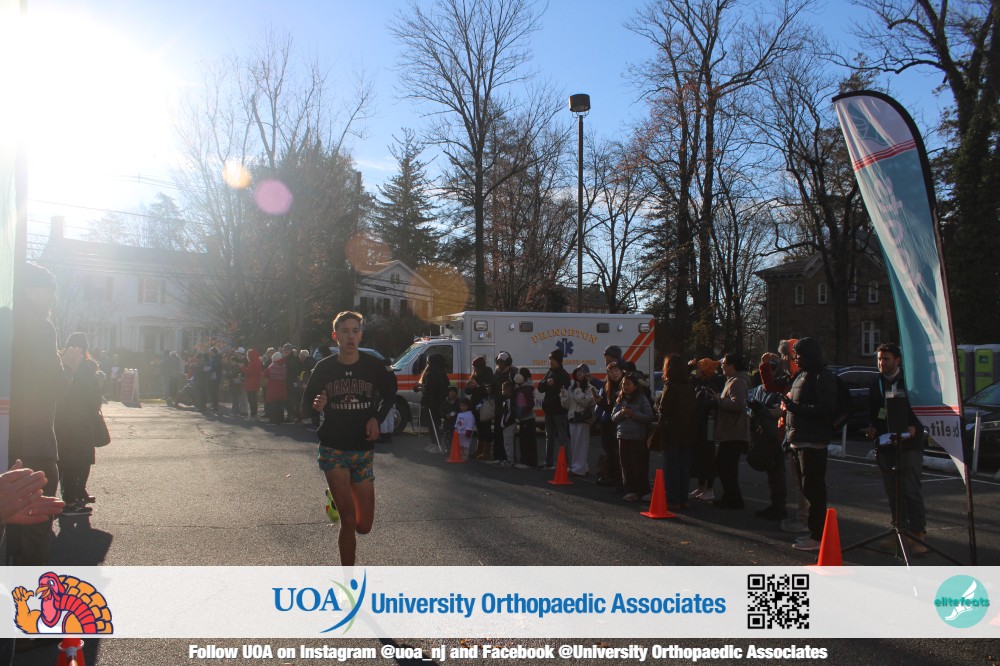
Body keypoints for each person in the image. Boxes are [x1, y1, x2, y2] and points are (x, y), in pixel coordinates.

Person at [301, 311, 396, 566]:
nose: (350, 336)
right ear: (336, 336)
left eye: (355, 331)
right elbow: (306, 406)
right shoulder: (324, 367)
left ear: (361, 335)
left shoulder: (372, 366)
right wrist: (317, 406)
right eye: (345, 331)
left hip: (362, 450)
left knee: (364, 526)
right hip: (333, 448)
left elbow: (390, 393)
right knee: (348, 520)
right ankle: (348, 583)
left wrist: (377, 417)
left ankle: (337, 497)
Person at [8, 262, 81, 566]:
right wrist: (69, 367)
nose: (52, 299)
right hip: (35, 444)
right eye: (50, 291)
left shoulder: (7, 322)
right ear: (32, 291)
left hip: (8, 439)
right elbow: (53, 386)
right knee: (35, 533)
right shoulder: (39, 327)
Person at [866, 342, 929, 555]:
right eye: (879, 359)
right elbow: (874, 412)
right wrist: (872, 427)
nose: (882, 363)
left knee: (910, 489)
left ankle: (918, 534)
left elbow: (923, 410)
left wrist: (915, 426)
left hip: (909, 444)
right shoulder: (876, 384)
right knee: (893, 492)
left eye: (886, 359)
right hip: (886, 444)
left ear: (897, 360)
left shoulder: (911, 382)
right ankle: (899, 531)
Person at [781, 337, 836, 552]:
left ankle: (818, 535)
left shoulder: (823, 376)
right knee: (806, 489)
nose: (795, 358)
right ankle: (813, 532)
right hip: (798, 439)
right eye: (794, 354)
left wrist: (794, 408)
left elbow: (825, 409)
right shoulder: (802, 375)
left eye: (798, 354)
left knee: (814, 491)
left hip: (813, 442)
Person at [55, 332, 108, 517]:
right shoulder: (87, 366)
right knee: (80, 460)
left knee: (63, 460)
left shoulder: (60, 363)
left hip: (61, 419)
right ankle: (71, 500)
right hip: (81, 421)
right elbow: (92, 396)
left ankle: (68, 496)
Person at [759, 339, 807, 533]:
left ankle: (805, 519)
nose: (783, 360)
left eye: (785, 355)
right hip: (787, 433)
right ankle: (800, 516)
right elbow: (770, 386)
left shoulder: (802, 378)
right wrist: (764, 366)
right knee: (794, 478)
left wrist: (785, 410)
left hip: (799, 434)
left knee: (801, 480)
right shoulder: (790, 378)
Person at [653, 354, 698, 509]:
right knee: (684, 466)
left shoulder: (670, 386)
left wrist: (657, 405)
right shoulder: (689, 385)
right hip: (688, 430)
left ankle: (673, 499)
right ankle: (683, 498)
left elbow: (664, 409)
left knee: (671, 466)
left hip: (672, 430)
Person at [707, 354, 750, 510]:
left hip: (734, 432)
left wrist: (719, 400)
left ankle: (734, 499)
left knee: (727, 467)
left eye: (724, 363)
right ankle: (729, 497)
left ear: (732, 365)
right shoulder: (732, 380)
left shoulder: (738, 381)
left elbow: (738, 405)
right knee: (725, 466)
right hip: (730, 431)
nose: (722, 366)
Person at [612, 371, 653, 502]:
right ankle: (631, 490)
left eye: (628, 384)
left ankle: (644, 491)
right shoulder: (620, 398)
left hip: (637, 436)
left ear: (635, 385)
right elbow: (613, 417)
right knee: (626, 465)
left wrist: (633, 414)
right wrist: (622, 413)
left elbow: (649, 416)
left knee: (639, 465)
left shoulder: (641, 398)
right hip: (622, 435)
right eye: (624, 384)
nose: (626, 387)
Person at [690, 358, 724, 502]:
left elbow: (712, 403)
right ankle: (701, 486)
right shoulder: (702, 383)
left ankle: (708, 489)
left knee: (708, 457)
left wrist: (700, 406)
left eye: (698, 368)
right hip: (701, 425)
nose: (695, 371)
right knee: (700, 456)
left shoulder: (711, 385)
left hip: (707, 425)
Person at [538, 349, 571, 470]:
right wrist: (546, 383)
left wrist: (555, 388)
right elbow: (540, 388)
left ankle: (565, 465)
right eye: (550, 359)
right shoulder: (549, 373)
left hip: (559, 412)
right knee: (549, 438)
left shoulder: (564, 375)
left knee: (563, 438)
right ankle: (549, 463)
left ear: (558, 360)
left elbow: (565, 392)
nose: (550, 361)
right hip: (549, 411)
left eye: (552, 359)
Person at [593, 361, 624, 490]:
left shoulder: (626, 384)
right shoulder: (607, 386)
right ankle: (612, 477)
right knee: (609, 452)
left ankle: (620, 479)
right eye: (611, 372)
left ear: (621, 371)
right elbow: (609, 408)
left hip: (620, 423)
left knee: (619, 453)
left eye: (616, 371)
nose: (614, 373)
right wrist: (600, 403)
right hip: (606, 423)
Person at [566, 364, 596, 477]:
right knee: (575, 445)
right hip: (573, 418)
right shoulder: (571, 387)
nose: (579, 374)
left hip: (583, 419)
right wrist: (563, 396)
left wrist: (578, 390)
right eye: (577, 372)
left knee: (581, 445)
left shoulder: (590, 388)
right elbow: (567, 405)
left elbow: (586, 402)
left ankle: (578, 469)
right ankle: (582, 467)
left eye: (582, 372)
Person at [464, 356, 494, 460]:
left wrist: (477, 386)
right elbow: (467, 391)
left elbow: (488, 390)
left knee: (486, 428)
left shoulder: (488, 373)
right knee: (480, 428)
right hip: (475, 405)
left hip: (484, 404)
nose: (474, 369)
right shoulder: (474, 375)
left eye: (475, 367)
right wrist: (470, 386)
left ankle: (487, 452)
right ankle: (479, 451)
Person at [416, 353, 449, 444]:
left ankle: (435, 443)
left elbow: (430, 387)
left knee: (432, 423)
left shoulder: (431, 372)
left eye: (428, 361)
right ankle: (436, 442)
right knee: (436, 422)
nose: (427, 363)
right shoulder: (442, 372)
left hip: (431, 401)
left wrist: (422, 387)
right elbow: (446, 384)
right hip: (439, 400)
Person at [491, 351, 518, 464]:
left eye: (502, 362)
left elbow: (515, 389)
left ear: (508, 362)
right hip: (498, 405)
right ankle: (498, 456)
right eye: (498, 361)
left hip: (507, 406)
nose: (499, 364)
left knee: (507, 434)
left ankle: (508, 458)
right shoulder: (496, 372)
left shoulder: (513, 372)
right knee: (497, 431)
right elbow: (493, 386)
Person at [513, 368, 536, 469]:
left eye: (519, 374)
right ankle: (524, 460)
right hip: (523, 419)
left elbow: (531, 403)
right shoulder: (521, 387)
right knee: (523, 441)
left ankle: (528, 462)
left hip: (527, 419)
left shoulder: (527, 388)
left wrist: (522, 413)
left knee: (527, 441)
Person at [263, 351, 287, 425]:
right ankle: (280, 419)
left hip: (273, 387)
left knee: (273, 403)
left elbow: (265, 374)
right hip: (282, 386)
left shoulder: (272, 366)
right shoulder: (284, 366)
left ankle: (273, 419)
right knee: (280, 403)